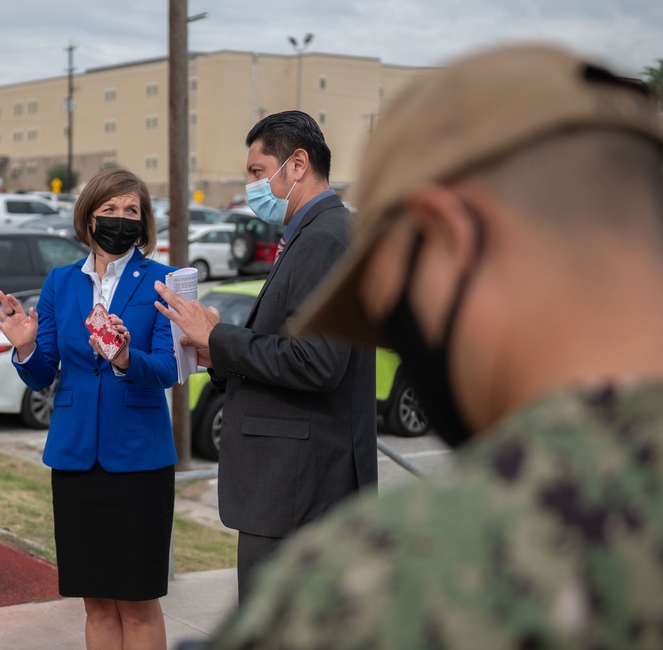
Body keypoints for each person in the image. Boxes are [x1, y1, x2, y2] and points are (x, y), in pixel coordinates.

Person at [202, 44, 663, 649]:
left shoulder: (411, 575)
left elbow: (314, 362)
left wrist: (218, 339)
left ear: (451, 239)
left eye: (399, 288)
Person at [154, 110, 378, 599]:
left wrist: (218, 338)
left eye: (257, 172)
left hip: (298, 493)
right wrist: (218, 349)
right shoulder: (318, 232)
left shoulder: (325, 238)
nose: (251, 185)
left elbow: (317, 361)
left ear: (296, 164)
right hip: (298, 489)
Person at [0, 168, 177, 649]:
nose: (120, 218)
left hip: (139, 458)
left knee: (137, 600)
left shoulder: (163, 282)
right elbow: (43, 373)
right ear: (88, 217)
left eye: (131, 210)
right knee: (94, 600)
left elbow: (169, 371)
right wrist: (26, 347)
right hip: (75, 459)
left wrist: (126, 357)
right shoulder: (60, 282)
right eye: (109, 209)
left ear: (145, 220)